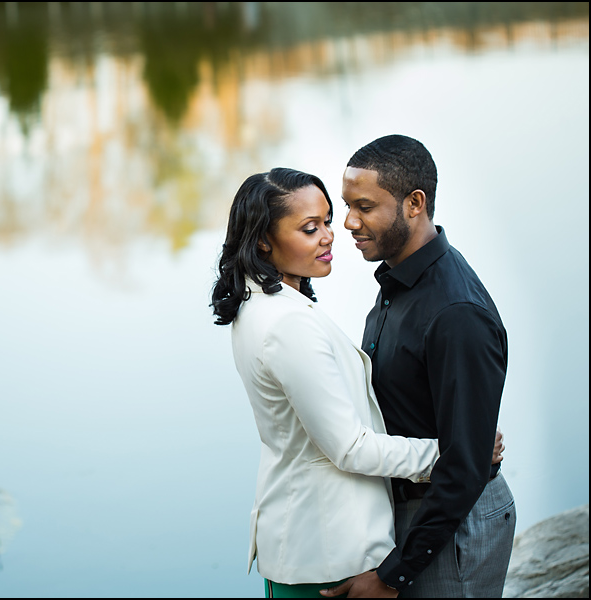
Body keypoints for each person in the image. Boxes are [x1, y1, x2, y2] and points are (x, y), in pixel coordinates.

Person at [210, 168, 503, 598]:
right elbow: (349, 446)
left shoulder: (261, 302)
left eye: (328, 220)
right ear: (263, 240)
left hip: (308, 538)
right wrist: (455, 452)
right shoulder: (287, 322)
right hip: (328, 550)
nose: (332, 234)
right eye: (310, 228)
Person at [320, 134, 516, 598]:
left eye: (364, 206)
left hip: (452, 524)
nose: (348, 222)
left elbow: (465, 467)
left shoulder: (455, 312)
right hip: (420, 509)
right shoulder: (401, 277)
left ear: (414, 203)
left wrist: (394, 574)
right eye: (347, 205)